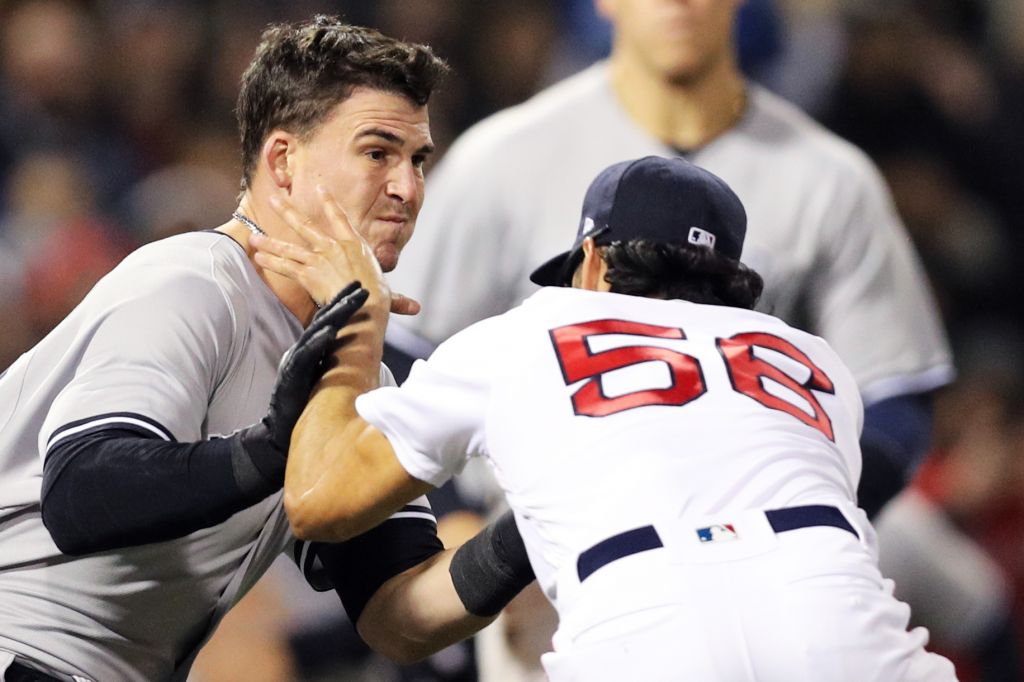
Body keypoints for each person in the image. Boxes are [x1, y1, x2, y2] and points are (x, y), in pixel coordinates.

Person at [256, 155, 959, 681]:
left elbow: (320, 502)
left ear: (591, 263)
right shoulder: (817, 361)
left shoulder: (538, 326)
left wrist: (352, 323)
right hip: (851, 634)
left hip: (646, 637)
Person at [0, 17, 534, 682]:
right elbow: (83, 495)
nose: (408, 187)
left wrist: (533, 528)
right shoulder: (195, 281)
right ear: (282, 162)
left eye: (418, 159)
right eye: (377, 153)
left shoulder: (354, 375)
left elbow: (396, 614)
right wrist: (273, 449)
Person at [388, 0, 953, 520]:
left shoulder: (832, 179)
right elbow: (403, 357)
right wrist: (460, 524)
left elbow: (893, 395)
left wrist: (813, 517)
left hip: (754, 534)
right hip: (534, 545)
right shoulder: (501, 159)